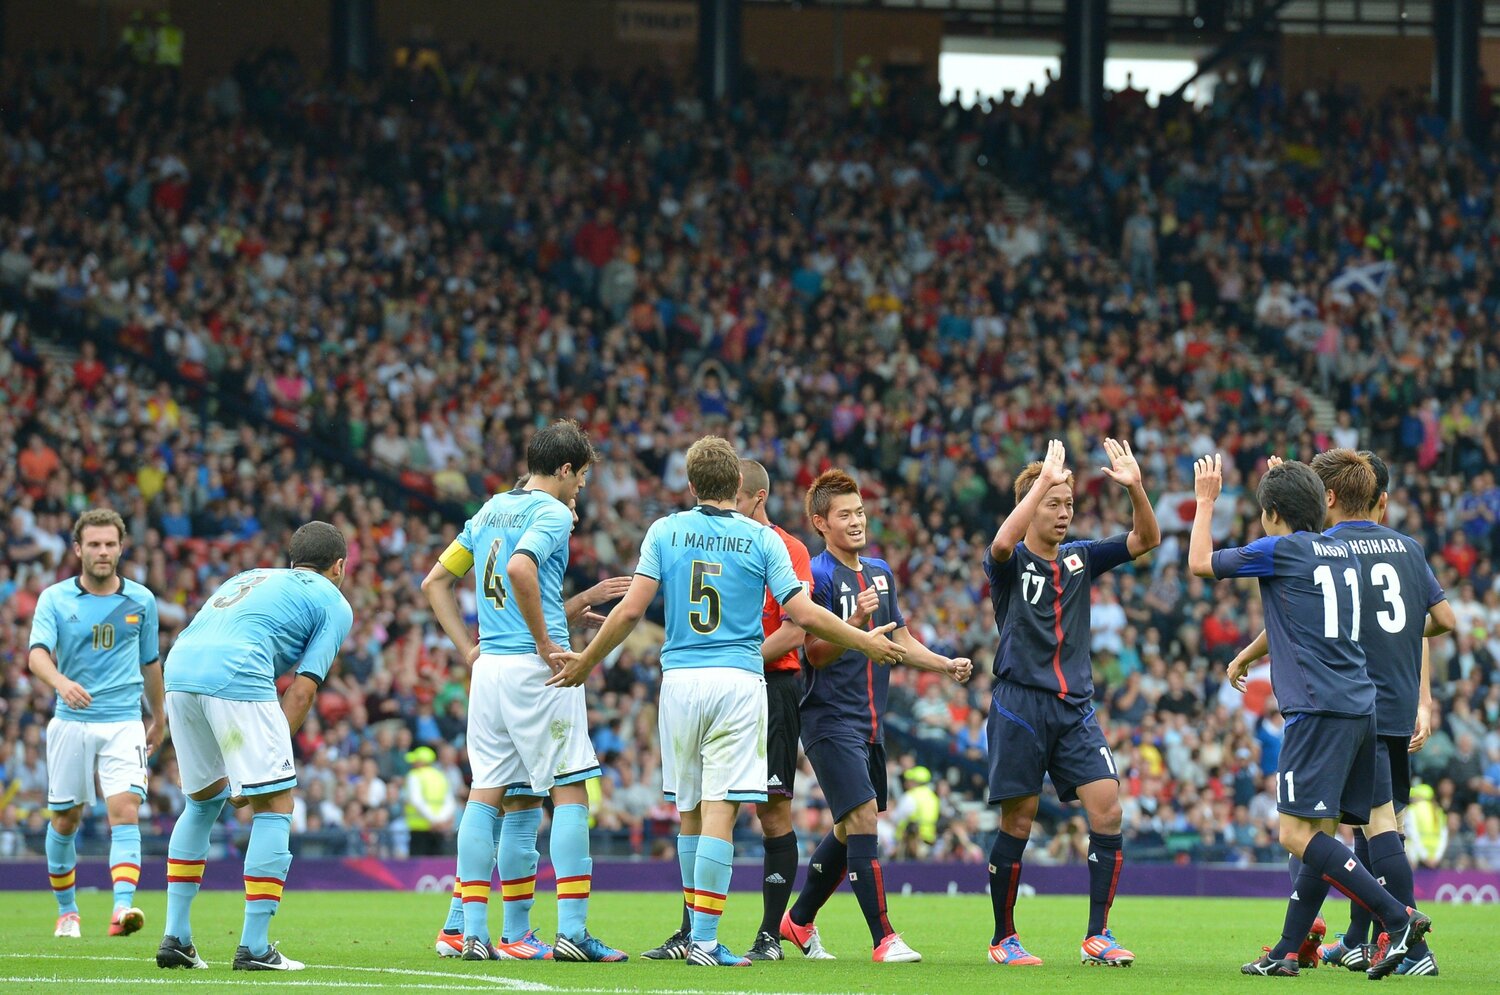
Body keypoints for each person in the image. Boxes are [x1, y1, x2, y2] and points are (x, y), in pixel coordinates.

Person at [548, 437, 907, 968]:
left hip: (681, 683)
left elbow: (627, 614)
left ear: (691, 485)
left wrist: (586, 661)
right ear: (736, 487)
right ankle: (707, 942)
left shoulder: (664, 531)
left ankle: (692, 931)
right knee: (723, 810)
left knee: (689, 811)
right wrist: (866, 639)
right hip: (739, 682)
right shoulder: (759, 540)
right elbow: (804, 614)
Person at [1189, 455, 1431, 980]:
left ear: (1271, 513)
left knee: (1296, 837)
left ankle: (1398, 916)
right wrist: (1289, 478)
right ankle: (1285, 951)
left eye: (1263, 512)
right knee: (1325, 830)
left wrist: (1206, 501)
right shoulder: (1341, 550)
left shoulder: (1278, 550)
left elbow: (1200, 562)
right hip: (1361, 706)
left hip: (1316, 710)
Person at [421, 422, 628, 964]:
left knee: (496, 793)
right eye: (580, 478)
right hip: (537, 672)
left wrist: (470, 650)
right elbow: (520, 568)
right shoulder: (552, 512)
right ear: (564, 470)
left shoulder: (490, 509)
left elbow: (434, 583)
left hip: (489, 668)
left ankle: (479, 932)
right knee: (570, 791)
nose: (579, 489)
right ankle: (574, 933)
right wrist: (544, 642)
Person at [780, 468, 972, 964]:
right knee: (862, 817)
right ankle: (884, 938)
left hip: (870, 723)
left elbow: (901, 641)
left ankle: (797, 921)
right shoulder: (815, 576)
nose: (857, 521)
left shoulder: (881, 572)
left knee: (849, 829)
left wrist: (944, 663)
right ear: (821, 522)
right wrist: (856, 622)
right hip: (827, 719)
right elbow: (814, 653)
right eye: (845, 514)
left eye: (860, 511)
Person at [981, 439, 1159, 968]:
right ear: (1031, 505)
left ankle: (1098, 935)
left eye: (1069, 506)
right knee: (1019, 821)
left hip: (1074, 707)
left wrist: (1135, 488)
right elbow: (999, 544)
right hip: (1020, 704)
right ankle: (1003, 938)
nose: (1063, 514)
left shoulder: (1080, 558)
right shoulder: (1009, 566)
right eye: (1053, 504)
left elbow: (1146, 538)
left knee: (1108, 807)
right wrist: (1040, 482)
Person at [156, 521, 354, 972]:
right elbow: (302, 692)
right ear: (339, 566)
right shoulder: (334, 602)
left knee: (201, 804)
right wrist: (264, 774)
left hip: (181, 670)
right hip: (237, 670)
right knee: (276, 803)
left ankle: (177, 938)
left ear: (291, 559)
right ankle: (256, 948)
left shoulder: (247, 577)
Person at [643, 458, 814, 962]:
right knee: (699, 807)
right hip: (733, 680)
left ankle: (767, 934)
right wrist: (730, 657)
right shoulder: (711, 534)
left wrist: (732, 654)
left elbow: (794, 629)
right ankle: (693, 932)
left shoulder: (788, 548)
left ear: (753, 496)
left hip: (770, 683)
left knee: (771, 807)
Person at [27, 509, 161, 940]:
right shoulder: (55, 599)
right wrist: (60, 682)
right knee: (66, 819)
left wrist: (158, 716)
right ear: (78, 549)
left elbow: (150, 662)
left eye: (110, 544)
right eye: (95, 544)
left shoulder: (142, 600)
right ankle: (67, 911)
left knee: (125, 811)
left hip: (124, 721)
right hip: (71, 723)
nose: (103, 552)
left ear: (121, 548)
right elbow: (36, 654)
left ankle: (122, 910)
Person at [404, 746, 456, 856]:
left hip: (419, 828)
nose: (413, 763)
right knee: (435, 863)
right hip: (438, 828)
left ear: (422, 762)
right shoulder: (441, 776)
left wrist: (434, 821)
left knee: (417, 865)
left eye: (415, 761)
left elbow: (416, 800)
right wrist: (440, 821)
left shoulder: (415, 775)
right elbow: (450, 802)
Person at [891, 766, 941, 858]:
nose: (907, 783)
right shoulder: (933, 797)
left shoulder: (911, 796)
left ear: (915, 781)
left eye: (910, 780)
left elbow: (896, 817)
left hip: (910, 841)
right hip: (930, 839)